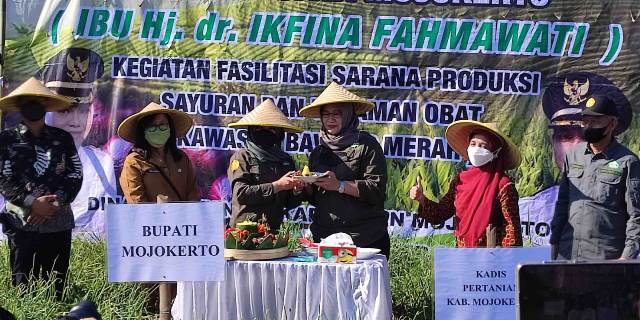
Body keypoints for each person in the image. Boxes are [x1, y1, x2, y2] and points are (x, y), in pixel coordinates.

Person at [0, 77, 82, 297]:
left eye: (39, 100)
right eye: (29, 100)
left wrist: (55, 202)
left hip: (58, 221)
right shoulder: (5, 139)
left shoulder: (62, 138)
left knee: (56, 286)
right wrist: (32, 203)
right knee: (23, 287)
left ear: (46, 105)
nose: (34, 104)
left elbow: (75, 173)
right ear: (19, 105)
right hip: (22, 221)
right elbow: (3, 178)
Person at [518, 73, 622, 246]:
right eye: (565, 136)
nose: (576, 147)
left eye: (586, 136)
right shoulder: (525, 211)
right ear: (553, 144)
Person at [298, 82, 390, 257]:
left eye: (337, 114)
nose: (330, 119)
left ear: (348, 115)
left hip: (363, 238)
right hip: (325, 237)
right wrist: (304, 186)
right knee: (326, 285)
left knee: (358, 284)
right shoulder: (318, 151)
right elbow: (316, 199)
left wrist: (340, 185)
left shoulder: (367, 145)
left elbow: (376, 190)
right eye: (325, 114)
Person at [38, 47, 118, 234]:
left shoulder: (102, 162)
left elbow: (103, 226)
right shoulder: (23, 155)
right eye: (64, 110)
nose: (76, 122)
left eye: (83, 110)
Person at [551, 93, 639, 260]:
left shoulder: (628, 162)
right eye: (585, 120)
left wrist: (627, 257)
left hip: (606, 257)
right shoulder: (574, 155)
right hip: (568, 252)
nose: (589, 126)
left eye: (596, 121)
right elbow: (563, 202)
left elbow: (637, 215)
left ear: (612, 124)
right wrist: (555, 243)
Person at [410, 120, 523, 247]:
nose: (476, 149)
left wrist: (505, 262)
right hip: (462, 256)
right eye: (473, 144)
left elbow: (512, 231)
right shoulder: (460, 181)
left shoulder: (503, 186)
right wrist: (422, 199)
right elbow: (440, 214)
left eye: (483, 146)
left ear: (495, 152)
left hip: (492, 259)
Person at [227, 99, 304, 230]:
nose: (265, 131)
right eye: (259, 128)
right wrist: (277, 186)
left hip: (272, 231)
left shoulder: (285, 160)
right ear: (251, 130)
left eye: (271, 129)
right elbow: (241, 194)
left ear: (279, 133)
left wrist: (297, 190)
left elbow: (290, 203)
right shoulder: (241, 157)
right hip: (244, 233)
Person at [118, 102, 199, 203]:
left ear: (170, 128)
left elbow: (193, 195)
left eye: (162, 125)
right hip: (149, 218)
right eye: (151, 126)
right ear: (143, 131)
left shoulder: (181, 158)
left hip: (183, 217)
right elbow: (137, 202)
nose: (158, 130)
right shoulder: (134, 161)